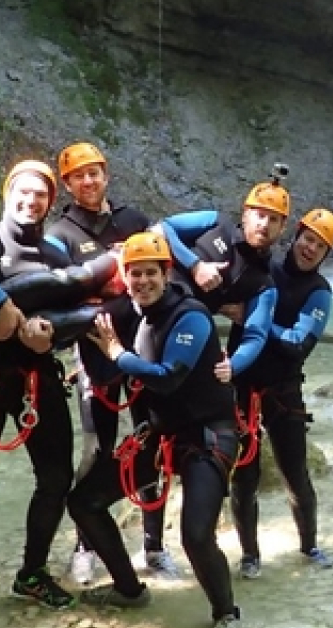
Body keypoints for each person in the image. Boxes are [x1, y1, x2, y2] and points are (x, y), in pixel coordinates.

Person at [0, 159, 117, 626]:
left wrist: (49, 332)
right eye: (24, 192)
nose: (31, 202)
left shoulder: (55, 252)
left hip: (39, 379)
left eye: (41, 196)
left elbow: (81, 314)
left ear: (50, 202)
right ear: (7, 192)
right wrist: (2, 305)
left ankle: (31, 573)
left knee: (54, 480)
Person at [68, 231, 243, 626]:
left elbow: (167, 378)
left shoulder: (191, 316)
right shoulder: (139, 315)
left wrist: (118, 355)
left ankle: (226, 615)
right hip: (163, 435)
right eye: (134, 274)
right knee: (83, 502)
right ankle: (129, 591)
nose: (143, 281)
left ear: (166, 274)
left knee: (196, 536)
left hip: (207, 436)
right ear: (124, 278)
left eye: (151, 273)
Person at [45, 142, 178, 585]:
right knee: (97, 450)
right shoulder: (61, 235)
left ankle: (154, 546)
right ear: (68, 183)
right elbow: (64, 296)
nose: (89, 181)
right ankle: (86, 544)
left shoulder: (133, 221)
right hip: (94, 359)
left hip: (144, 351)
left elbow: (162, 277)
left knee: (151, 443)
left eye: (95, 173)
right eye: (79, 175)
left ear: (106, 175)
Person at [231, 207, 333, 579]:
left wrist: (253, 320)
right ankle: (250, 555)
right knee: (244, 476)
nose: (310, 248)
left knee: (295, 473)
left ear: (326, 255)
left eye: (320, 246)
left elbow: (298, 345)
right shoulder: (262, 269)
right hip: (242, 384)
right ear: (296, 235)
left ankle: (309, 545)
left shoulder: (319, 293)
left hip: (283, 390)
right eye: (308, 239)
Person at [156, 166, 292, 382]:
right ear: (246, 214)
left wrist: (232, 365)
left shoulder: (264, 284)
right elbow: (165, 228)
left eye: (273, 220)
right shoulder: (217, 222)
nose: (264, 224)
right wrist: (196, 265)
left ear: (283, 228)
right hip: (154, 303)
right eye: (260, 215)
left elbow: (256, 335)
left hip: (184, 330)